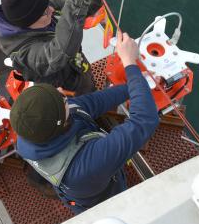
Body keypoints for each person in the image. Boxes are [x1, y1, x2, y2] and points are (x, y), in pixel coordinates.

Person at [10, 31, 159, 213]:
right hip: (102, 201)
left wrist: (139, 84)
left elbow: (95, 102)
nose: (60, 90)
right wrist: (130, 63)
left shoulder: (32, 128)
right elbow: (144, 121)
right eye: (61, 99)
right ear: (61, 122)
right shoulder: (88, 164)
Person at [0, 0, 126, 95]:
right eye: (45, 12)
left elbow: (81, 6)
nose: (51, 10)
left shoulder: (42, 9)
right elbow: (59, 53)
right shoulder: (24, 53)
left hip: (80, 69)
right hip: (67, 93)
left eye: (47, 5)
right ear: (27, 24)